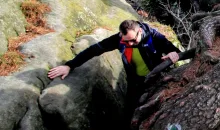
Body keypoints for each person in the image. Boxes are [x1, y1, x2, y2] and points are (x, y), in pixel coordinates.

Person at [48, 20, 180, 110]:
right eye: (126, 41)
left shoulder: (153, 36)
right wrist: (69, 65)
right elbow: (93, 50)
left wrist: (173, 54)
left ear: (140, 31)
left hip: (158, 76)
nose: (130, 44)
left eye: (133, 40)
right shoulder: (119, 40)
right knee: (131, 109)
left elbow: (173, 50)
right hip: (136, 81)